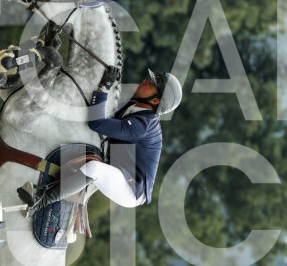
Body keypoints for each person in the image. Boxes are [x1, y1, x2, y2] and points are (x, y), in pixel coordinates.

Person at [18, 69, 182, 213]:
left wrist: (104, 87)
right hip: (119, 168)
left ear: (155, 101)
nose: (145, 81)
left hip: (131, 189)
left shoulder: (142, 126)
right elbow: (104, 112)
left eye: (151, 84)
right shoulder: (135, 105)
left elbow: (96, 123)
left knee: (94, 168)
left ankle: (41, 201)